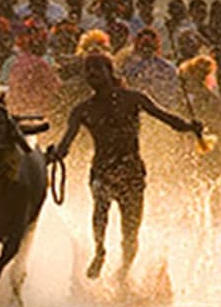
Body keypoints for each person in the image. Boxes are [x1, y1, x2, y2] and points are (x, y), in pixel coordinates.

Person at [47, 53, 202, 280]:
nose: (92, 75)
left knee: (130, 234)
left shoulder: (134, 99)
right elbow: (65, 146)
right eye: (88, 71)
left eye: (97, 70)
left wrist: (190, 126)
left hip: (131, 171)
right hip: (102, 170)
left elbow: (167, 119)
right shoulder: (82, 110)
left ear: (110, 73)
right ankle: (100, 251)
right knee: (100, 206)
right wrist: (50, 157)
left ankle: (124, 272)